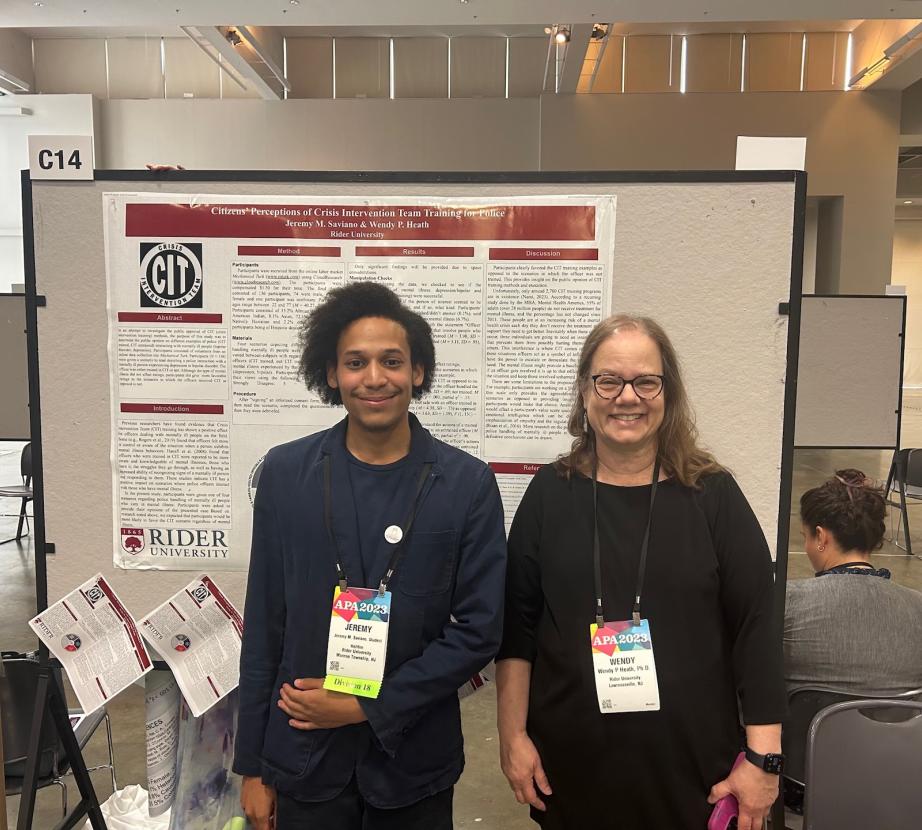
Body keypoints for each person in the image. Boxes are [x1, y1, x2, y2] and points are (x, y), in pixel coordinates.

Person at [496, 314, 786, 830]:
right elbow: (517, 632)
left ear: (667, 392)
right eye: (607, 380)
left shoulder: (712, 495)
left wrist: (764, 762)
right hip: (570, 772)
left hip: (695, 775)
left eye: (645, 381)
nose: (626, 396)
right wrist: (512, 738)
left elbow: (757, 630)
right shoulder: (548, 494)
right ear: (585, 390)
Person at [233, 281, 506, 830]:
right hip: (302, 755)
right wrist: (253, 766)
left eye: (392, 361)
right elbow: (265, 623)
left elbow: (480, 630)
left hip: (413, 763)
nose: (375, 378)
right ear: (332, 374)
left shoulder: (467, 484)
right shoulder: (287, 475)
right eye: (356, 362)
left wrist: (365, 704)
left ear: (418, 372)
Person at [785, 469, 922, 695]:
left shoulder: (786, 603)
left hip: (806, 729)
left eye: (805, 537)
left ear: (820, 537)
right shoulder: (918, 606)